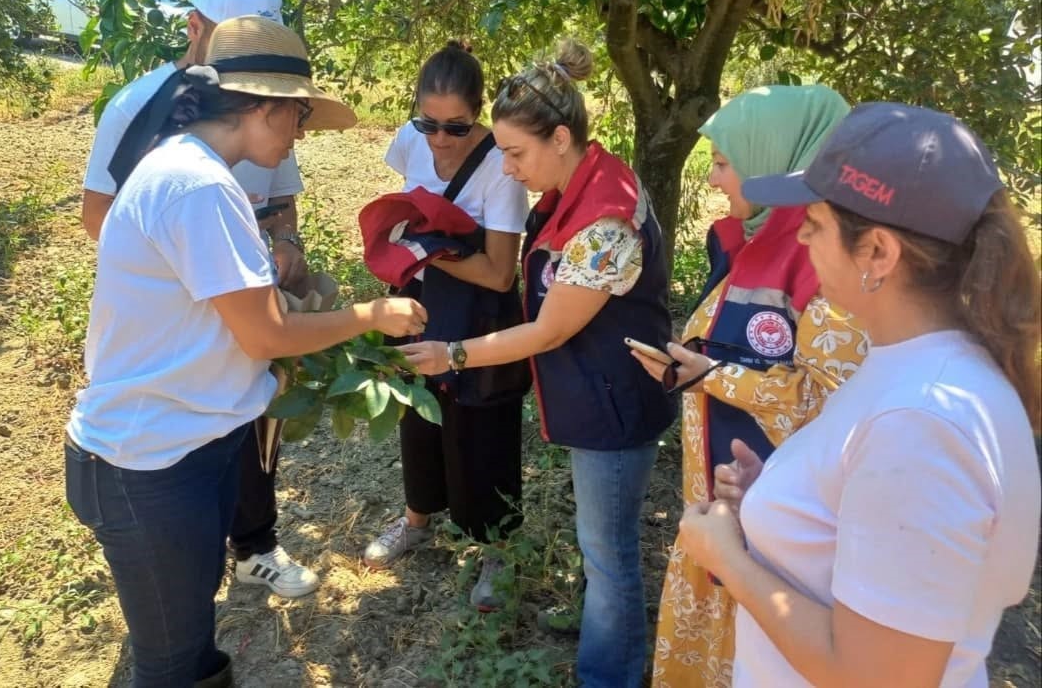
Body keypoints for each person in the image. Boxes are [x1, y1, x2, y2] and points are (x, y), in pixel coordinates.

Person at [64, 15, 427, 688]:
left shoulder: (192, 172)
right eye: (297, 117)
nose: (298, 136)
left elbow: (227, 318)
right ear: (263, 107)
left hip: (173, 449)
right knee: (174, 665)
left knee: (187, 643)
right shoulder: (199, 186)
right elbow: (265, 334)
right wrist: (373, 314)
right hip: (147, 465)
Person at [676, 102, 1041, 687]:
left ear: (878, 253)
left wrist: (728, 559)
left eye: (814, 224)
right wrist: (779, 506)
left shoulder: (923, 421)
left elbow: (879, 676)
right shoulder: (909, 371)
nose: (799, 235)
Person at [402, 40, 675, 688]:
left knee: (612, 557)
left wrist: (455, 353)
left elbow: (550, 330)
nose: (509, 168)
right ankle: (596, 617)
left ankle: (609, 673)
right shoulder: (579, 184)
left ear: (560, 138)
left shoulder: (605, 222)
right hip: (595, 395)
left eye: (517, 154)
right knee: (598, 542)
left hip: (615, 408)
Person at [79, 0, 330, 599]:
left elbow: (280, 204)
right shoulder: (155, 127)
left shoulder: (258, 125)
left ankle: (253, 544)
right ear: (198, 32)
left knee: (242, 421)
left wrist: (280, 246)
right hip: (180, 330)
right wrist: (203, 263)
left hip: (234, 309)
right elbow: (99, 217)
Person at [627, 85, 869, 688]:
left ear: (772, 160)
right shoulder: (755, 240)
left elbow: (833, 404)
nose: (712, 180)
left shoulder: (827, 262)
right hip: (727, 512)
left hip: (777, 541)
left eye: (723, 162)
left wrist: (714, 377)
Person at [360, 41, 531, 611]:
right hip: (419, 296)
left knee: (481, 425)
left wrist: (437, 249)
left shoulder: (500, 170)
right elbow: (405, 205)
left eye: (456, 127)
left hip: (478, 308)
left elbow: (502, 273)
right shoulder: (411, 141)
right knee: (417, 409)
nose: (438, 139)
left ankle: (497, 551)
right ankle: (417, 518)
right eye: (427, 123)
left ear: (478, 114)